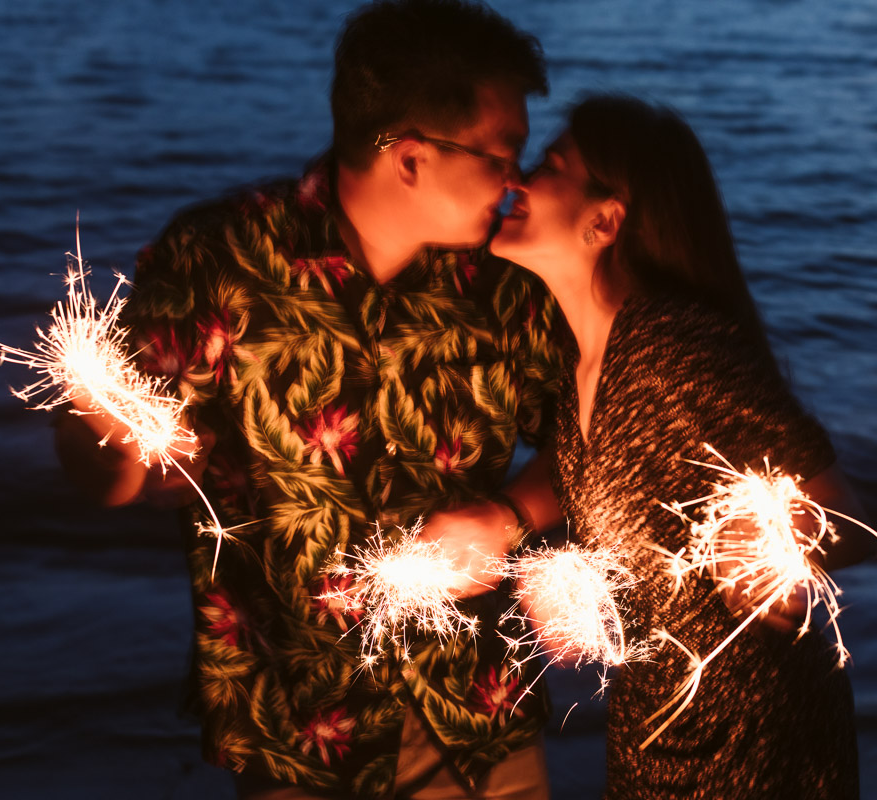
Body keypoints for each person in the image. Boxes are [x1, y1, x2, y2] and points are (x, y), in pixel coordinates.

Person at [53, 2, 565, 798]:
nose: (517, 183)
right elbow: (109, 471)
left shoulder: (508, 288)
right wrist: (111, 440)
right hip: (298, 733)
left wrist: (508, 517)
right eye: (503, 156)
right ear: (411, 158)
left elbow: (592, 442)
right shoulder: (219, 260)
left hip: (478, 719)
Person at [486, 94, 877, 799]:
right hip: (655, 725)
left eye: (550, 165)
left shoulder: (671, 346)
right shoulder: (581, 363)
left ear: (605, 220)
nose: (517, 179)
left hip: (753, 736)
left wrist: (770, 553)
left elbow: (838, 511)